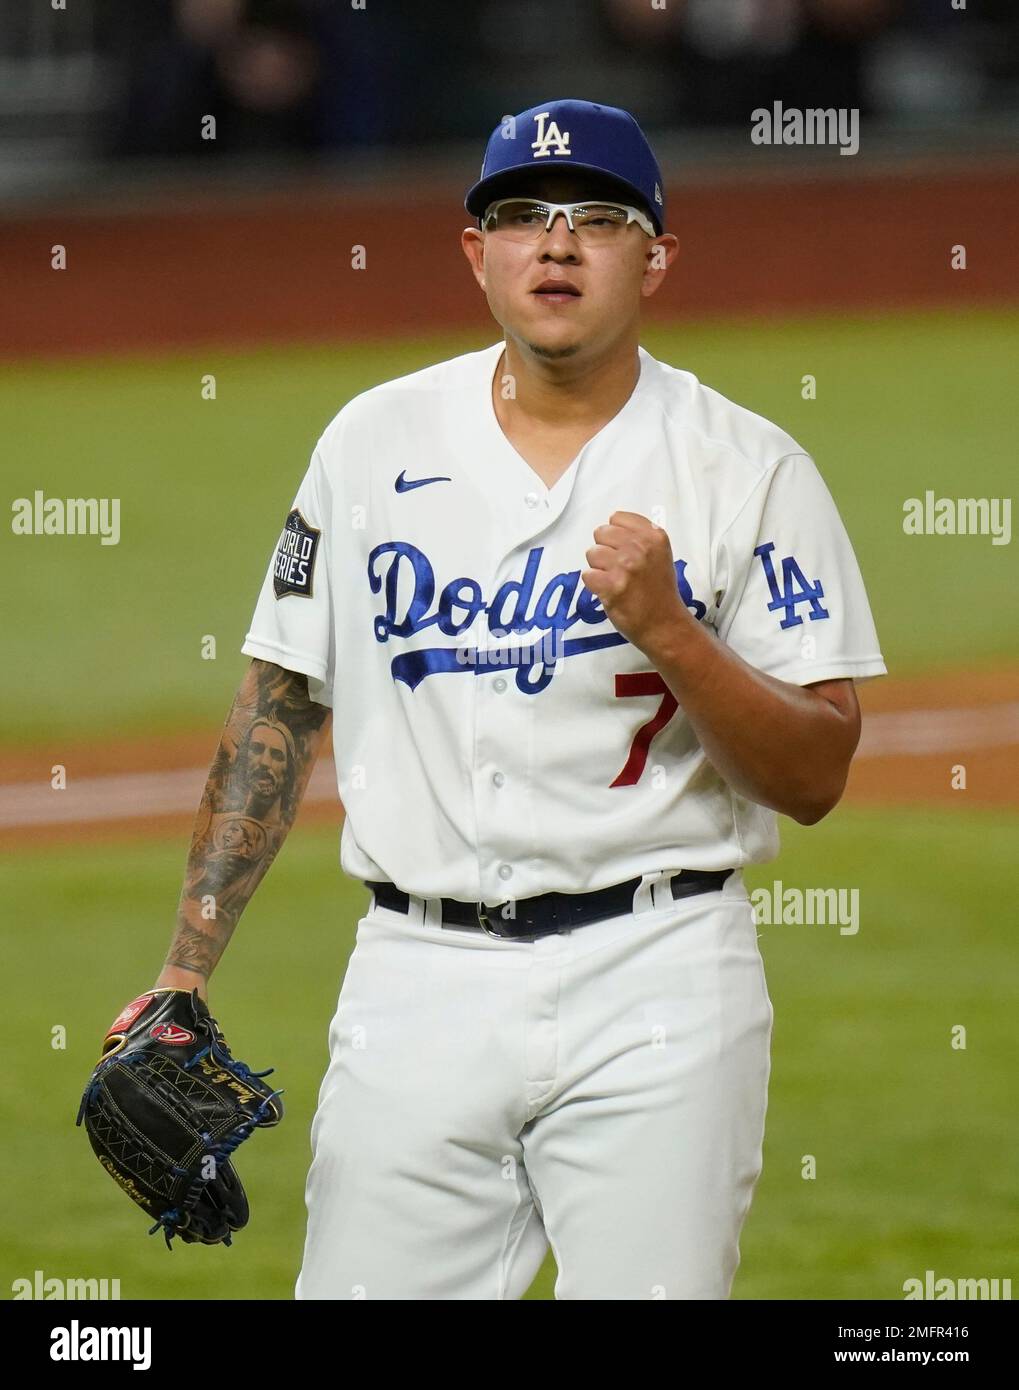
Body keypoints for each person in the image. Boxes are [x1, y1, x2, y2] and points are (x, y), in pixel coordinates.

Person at [154, 98, 886, 1299]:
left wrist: (668, 632)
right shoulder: (369, 441)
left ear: (656, 258)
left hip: (659, 975)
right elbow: (279, 702)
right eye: (520, 217)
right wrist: (186, 968)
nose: (555, 244)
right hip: (414, 979)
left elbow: (813, 776)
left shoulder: (746, 466)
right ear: (474, 253)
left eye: (597, 218)